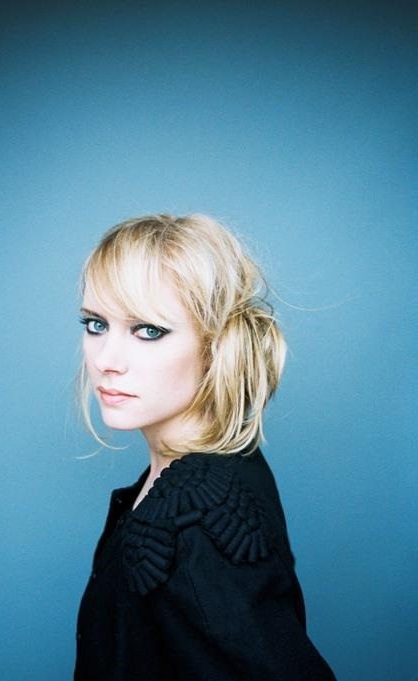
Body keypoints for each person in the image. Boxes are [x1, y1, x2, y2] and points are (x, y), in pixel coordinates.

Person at [74, 213, 336, 680]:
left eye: (148, 330)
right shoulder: (197, 475)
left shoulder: (198, 520)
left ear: (215, 345)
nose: (107, 360)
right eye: (96, 324)